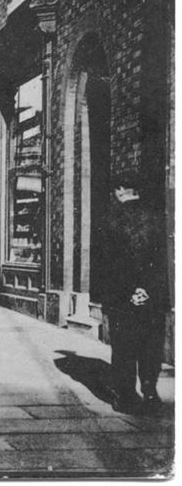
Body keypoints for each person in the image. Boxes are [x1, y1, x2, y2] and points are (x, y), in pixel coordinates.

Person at [95, 173, 169, 413]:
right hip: (154, 296)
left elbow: (108, 264)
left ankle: (126, 398)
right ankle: (150, 393)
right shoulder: (158, 218)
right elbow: (164, 260)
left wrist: (128, 291)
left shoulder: (110, 220)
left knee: (124, 347)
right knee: (151, 345)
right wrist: (148, 289)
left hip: (121, 298)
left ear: (119, 190)